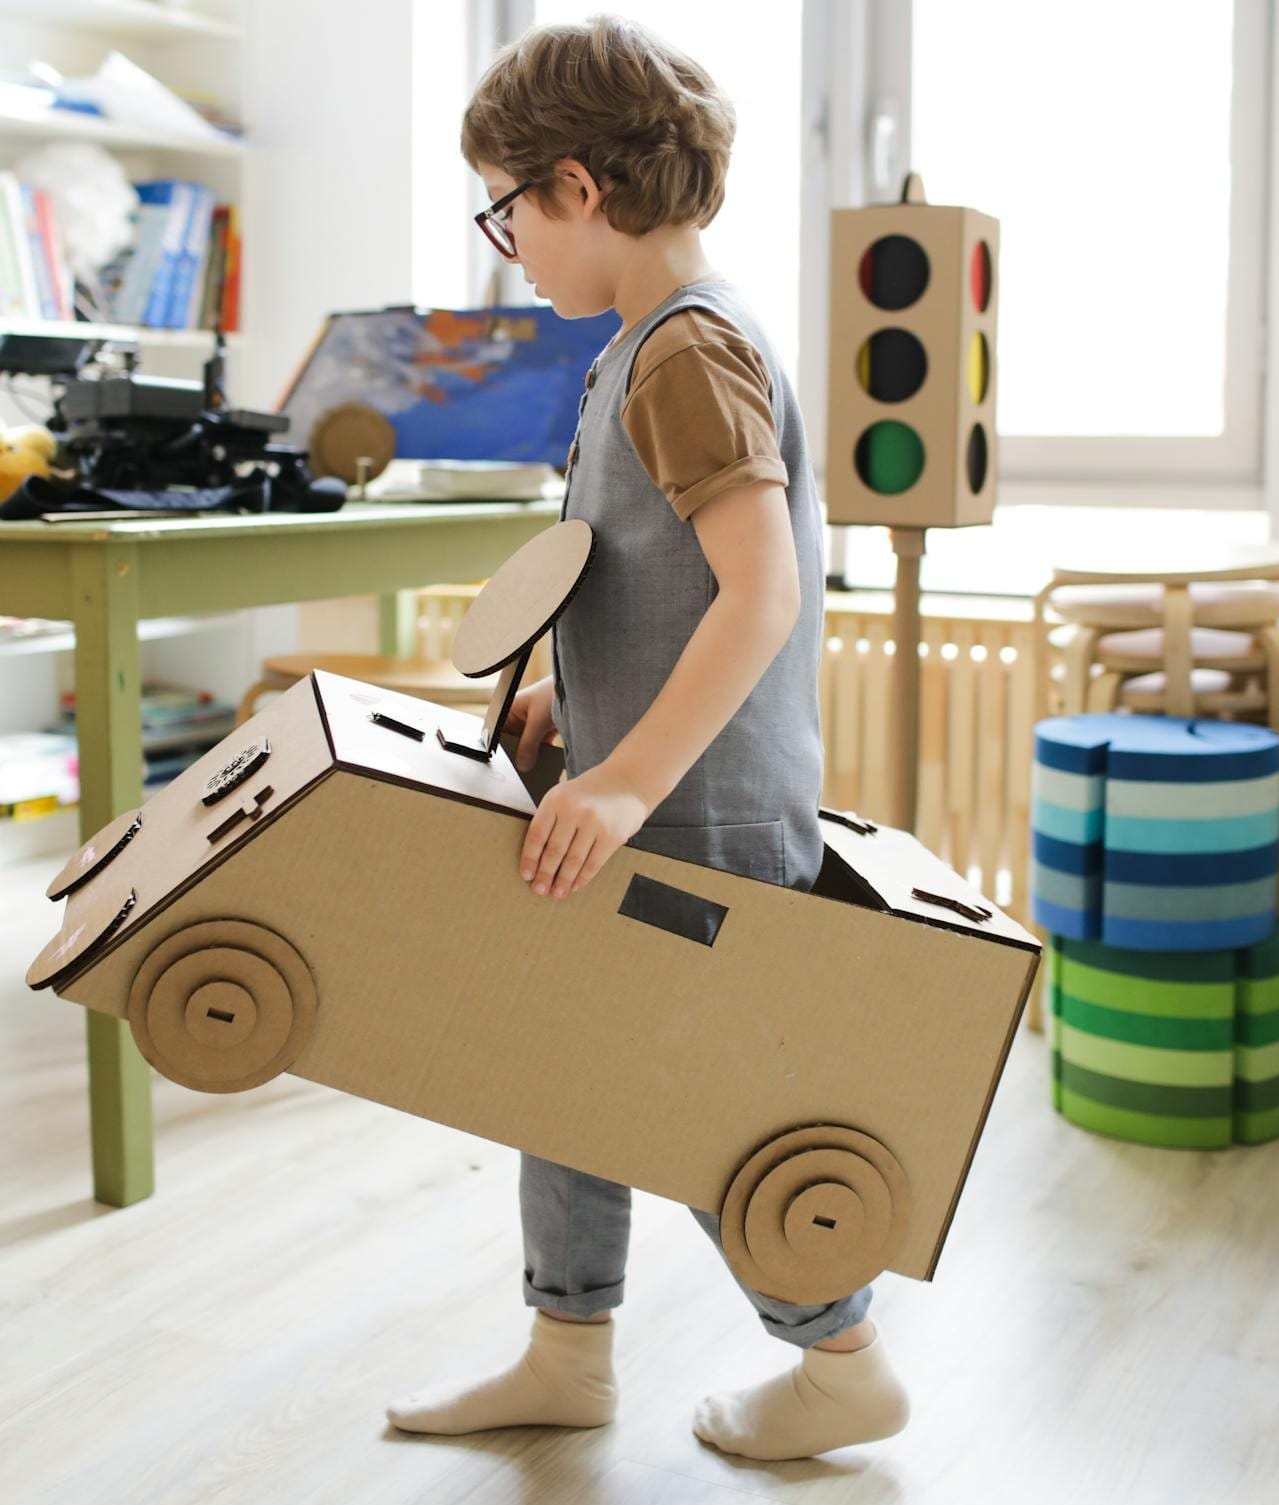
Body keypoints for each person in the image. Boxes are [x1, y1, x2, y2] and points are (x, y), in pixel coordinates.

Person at [386, 14, 910, 1462]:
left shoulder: (686, 352)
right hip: (654, 791)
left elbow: (762, 588)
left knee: (695, 1092)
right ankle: (569, 1341)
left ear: (576, 187)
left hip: (696, 816)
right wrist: (578, 693)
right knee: (561, 1060)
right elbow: (656, 570)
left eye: (506, 210)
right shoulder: (651, 344)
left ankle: (842, 1349)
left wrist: (621, 777)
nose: (509, 247)